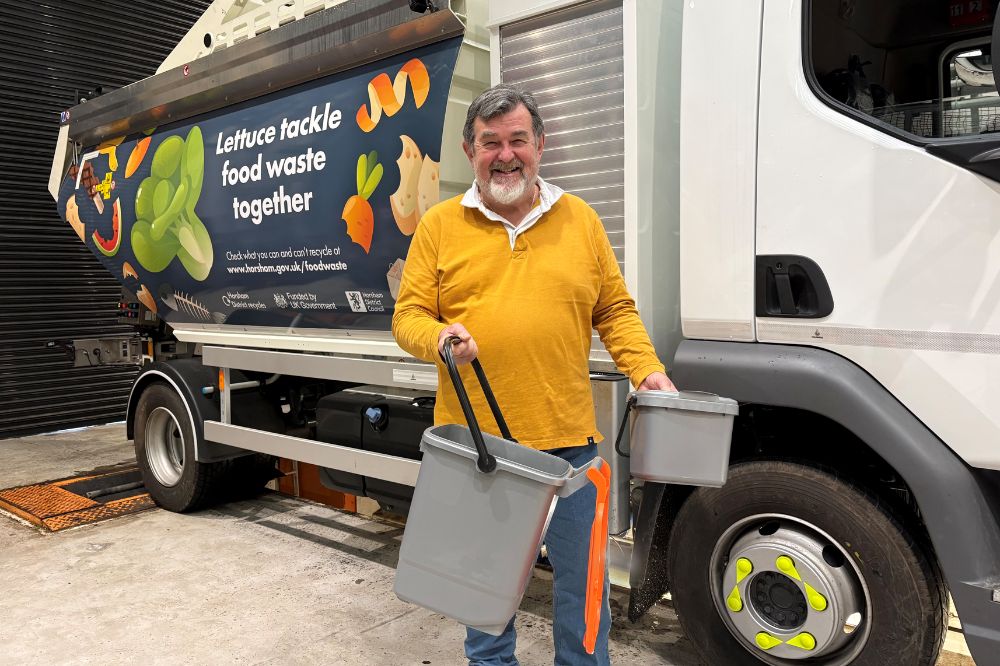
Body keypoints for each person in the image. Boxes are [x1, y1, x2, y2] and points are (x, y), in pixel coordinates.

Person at [391, 84, 675, 666]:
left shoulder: (581, 220)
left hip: (571, 447)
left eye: (517, 139)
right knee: (486, 595)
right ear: (471, 151)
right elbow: (409, 316)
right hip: (479, 453)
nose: (505, 154)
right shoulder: (441, 225)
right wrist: (441, 337)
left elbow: (613, 310)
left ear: (540, 145)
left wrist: (646, 371)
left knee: (586, 591)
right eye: (490, 142)